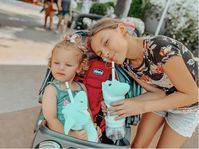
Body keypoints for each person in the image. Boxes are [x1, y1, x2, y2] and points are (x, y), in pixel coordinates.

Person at [87, 18, 199, 148]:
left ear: (122, 29)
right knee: (137, 146)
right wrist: (124, 105)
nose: (106, 53)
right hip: (164, 100)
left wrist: (141, 107)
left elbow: (192, 95)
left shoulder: (160, 48)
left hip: (189, 106)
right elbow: (158, 93)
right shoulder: (125, 62)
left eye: (106, 42)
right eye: (101, 53)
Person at [42, 33, 101, 140]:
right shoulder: (52, 90)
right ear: (50, 64)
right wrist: (70, 135)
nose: (61, 68)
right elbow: (51, 119)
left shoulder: (81, 88)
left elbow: (86, 111)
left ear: (79, 68)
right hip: (59, 136)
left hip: (81, 135)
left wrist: (91, 127)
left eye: (68, 65)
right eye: (56, 63)